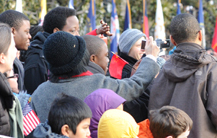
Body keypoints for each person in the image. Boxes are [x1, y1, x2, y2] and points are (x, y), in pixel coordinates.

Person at [29, 31, 160, 124]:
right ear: (83, 58)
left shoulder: (39, 92)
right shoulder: (96, 83)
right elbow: (134, 86)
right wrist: (150, 57)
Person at [0, 10, 30, 91]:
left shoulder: (14, 60)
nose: (30, 36)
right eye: (26, 32)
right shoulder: (9, 63)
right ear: (13, 31)